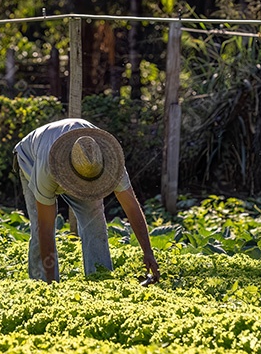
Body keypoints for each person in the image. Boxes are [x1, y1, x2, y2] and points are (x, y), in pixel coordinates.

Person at [14, 118, 160, 284]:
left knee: (95, 220)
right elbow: (46, 228)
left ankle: (100, 280)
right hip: (31, 160)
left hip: (76, 161)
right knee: (39, 228)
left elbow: (131, 206)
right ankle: (41, 283)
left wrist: (148, 252)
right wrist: (51, 288)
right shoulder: (46, 169)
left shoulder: (108, 160)